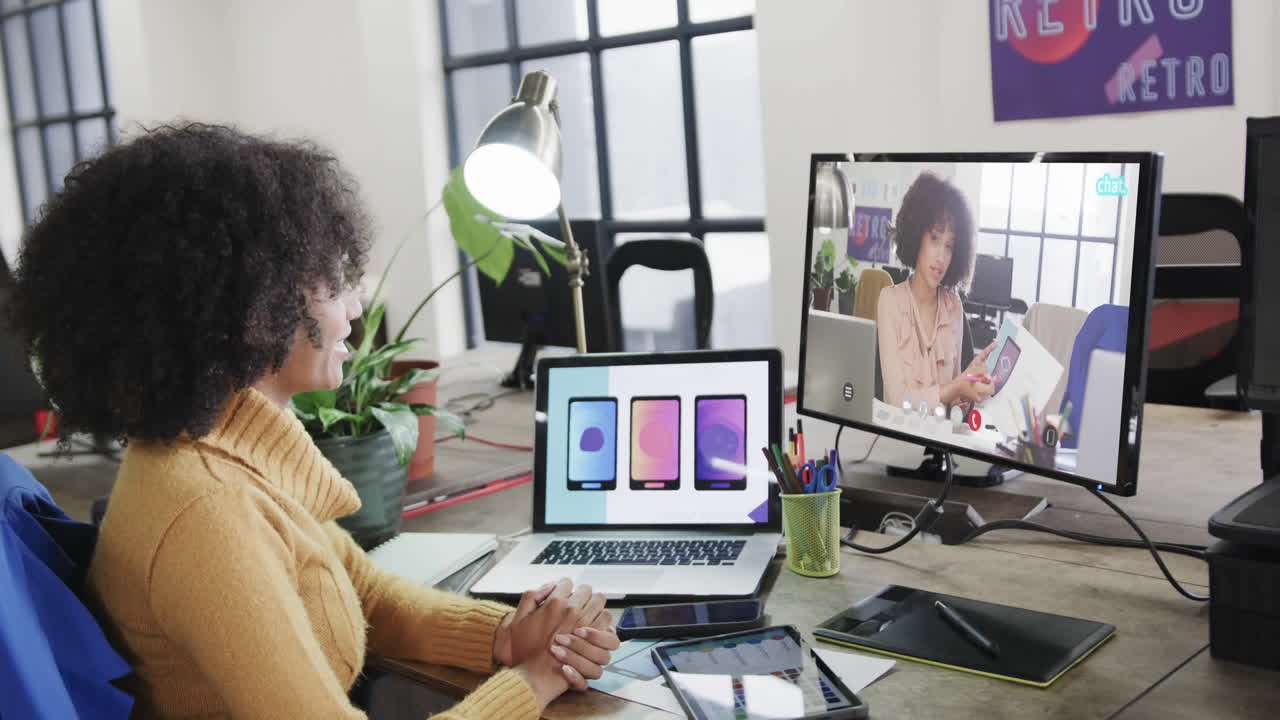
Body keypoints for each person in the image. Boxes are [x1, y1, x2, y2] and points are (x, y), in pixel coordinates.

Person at [5, 123, 617, 719]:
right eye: (331, 284)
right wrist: (531, 684)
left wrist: (508, 636)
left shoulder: (229, 440)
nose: (354, 308)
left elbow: (365, 593)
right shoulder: (206, 512)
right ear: (247, 309)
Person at [876, 171, 995, 412]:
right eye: (934, 238)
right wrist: (955, 387)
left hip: (940, 442)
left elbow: (954, 409)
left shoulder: (954, 306)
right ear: (916, 236)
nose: (941, 257)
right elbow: (895, 400)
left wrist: (970, 382)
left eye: (949, 246)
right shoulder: (890, 301)